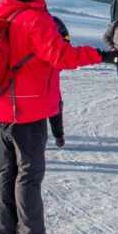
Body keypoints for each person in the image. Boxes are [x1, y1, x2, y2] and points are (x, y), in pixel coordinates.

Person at [0, 0, 118, 234]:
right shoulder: (35, 18)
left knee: (7, 171)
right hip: (28, 106)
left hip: (4, 104)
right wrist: (100, 55)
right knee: (29, 173)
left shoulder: (3, 12)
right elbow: (61, 55)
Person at [49, 16, 70, 148]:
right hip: (30, 71)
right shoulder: (26, 20)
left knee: (54, 104)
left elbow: (66, 41)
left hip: (51, 67)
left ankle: (58, 134)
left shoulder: (55, 22)